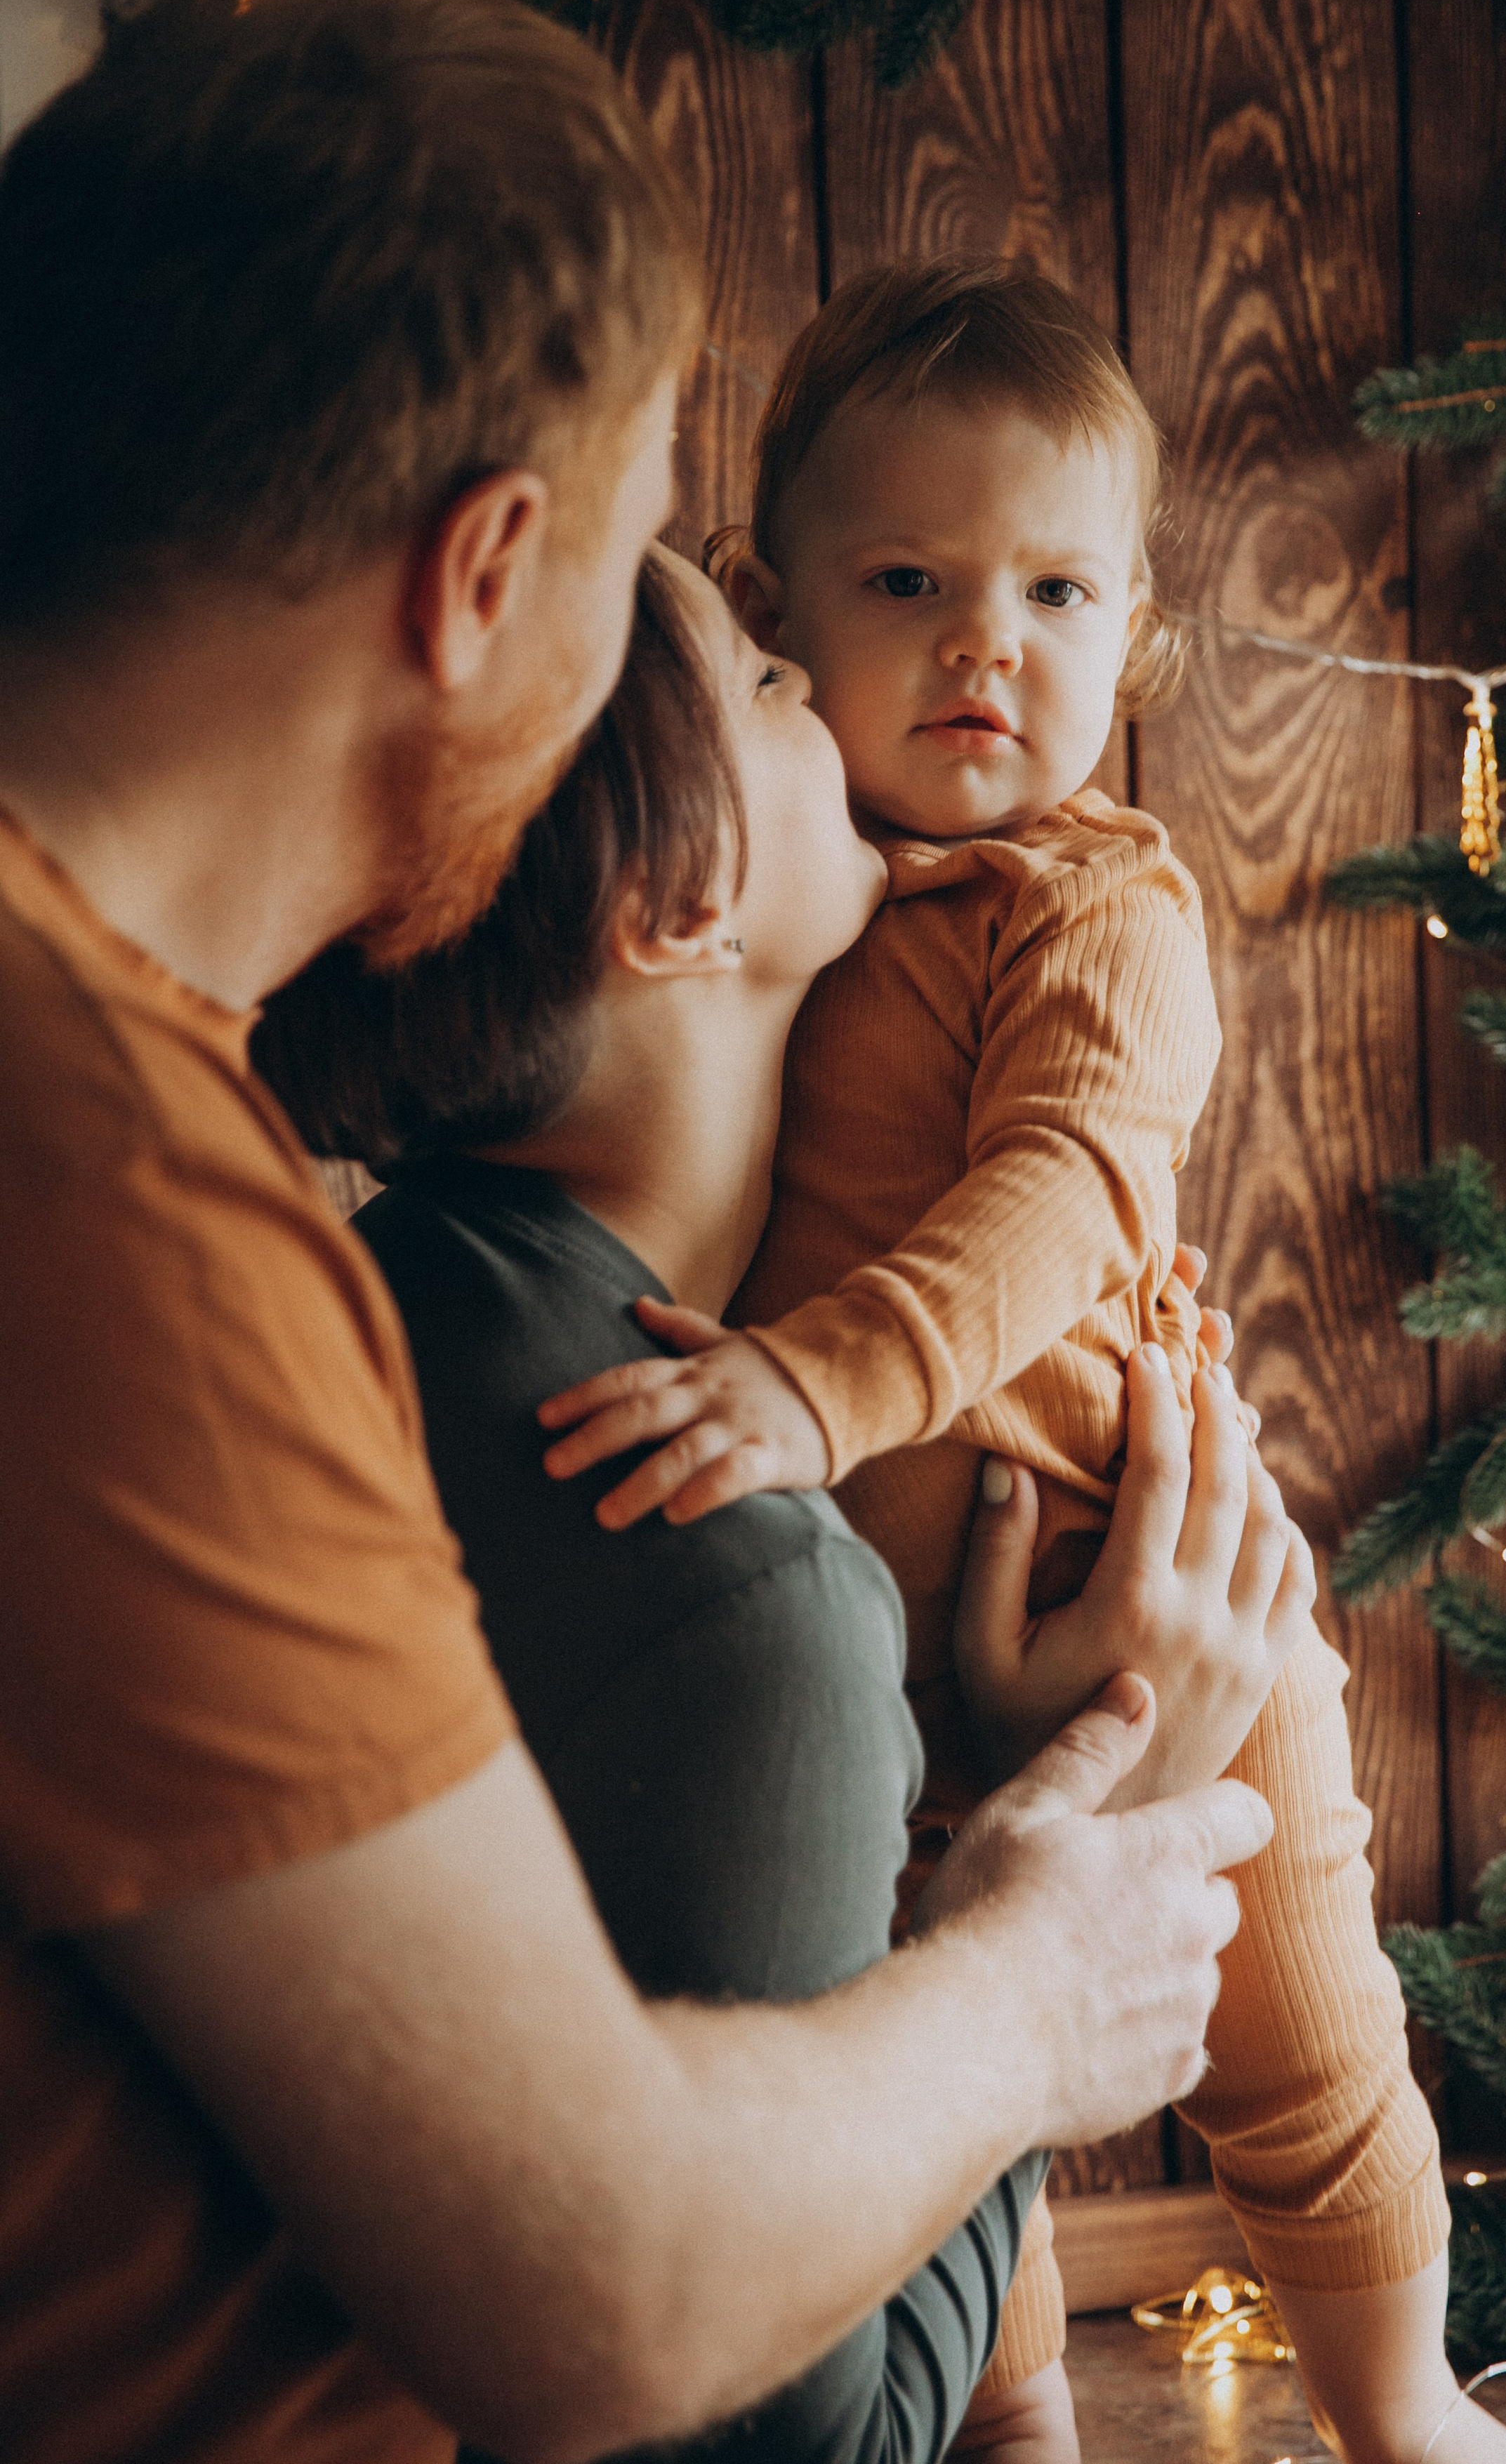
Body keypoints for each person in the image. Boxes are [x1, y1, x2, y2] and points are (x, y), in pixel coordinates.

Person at [0, 0, 1276, 2464]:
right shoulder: (110, 1196)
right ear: (489, 578)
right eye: (670, 588)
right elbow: (607, 2297)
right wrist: (1045, 1943)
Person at [534, 264, 1506, 2464]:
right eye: (910, 579)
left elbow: (1070, 1193)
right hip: (866, 1639)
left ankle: (1403, 2402)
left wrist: (818, 1387)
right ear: (768, 606)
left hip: (1141, 1551)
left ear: (1133, 646)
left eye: (1056, 589)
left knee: (1298, 2019)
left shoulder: (1099, 909)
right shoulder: (765, 890)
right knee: (921, 2037)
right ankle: (1009, 2421)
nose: (986, 641)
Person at [253, 539, 1312, 2463]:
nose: (819, 688)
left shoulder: (374, 1308)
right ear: (680, 903)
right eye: (761, 679)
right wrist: (1064, 1836)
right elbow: (796, 2446)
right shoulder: (737, 1587)